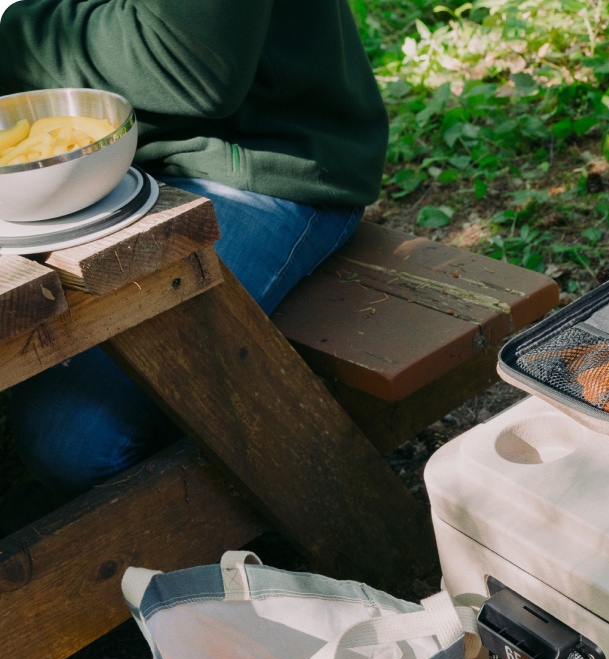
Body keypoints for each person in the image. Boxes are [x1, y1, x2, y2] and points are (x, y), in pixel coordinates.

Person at [0, 0, 388, 495]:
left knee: (73, 441)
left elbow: (189, 60)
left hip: (256, 158)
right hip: (97, 151)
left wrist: (12, 28)